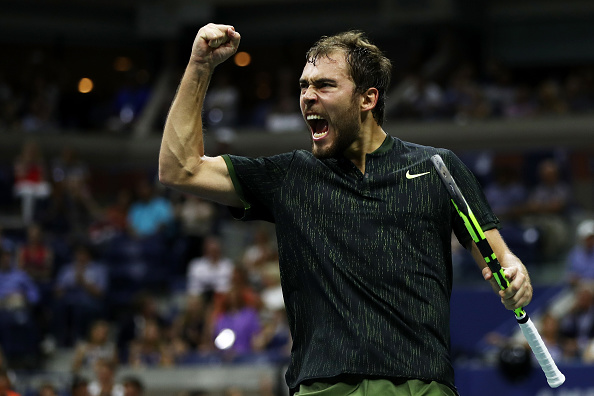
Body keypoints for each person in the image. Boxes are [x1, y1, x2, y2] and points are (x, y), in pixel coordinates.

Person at [159, 23, 533, 395]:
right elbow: (180, 169)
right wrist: (199, 66)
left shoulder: (438, 167)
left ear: (367, 99)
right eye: (304, 86)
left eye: (324, 85)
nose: (307, 96)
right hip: (323, 385)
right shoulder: (290, 176)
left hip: (419, 384)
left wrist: (515, 276)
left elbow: (499, 259)